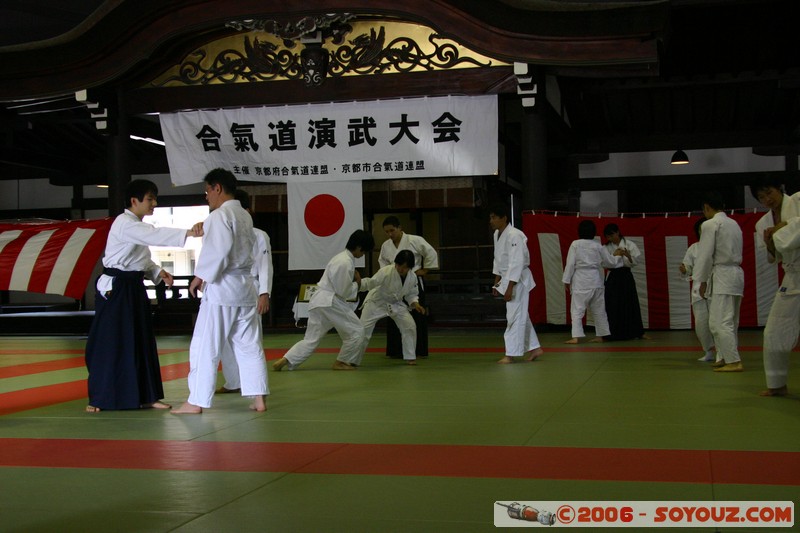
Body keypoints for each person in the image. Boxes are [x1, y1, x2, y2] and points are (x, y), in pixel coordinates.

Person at [85, 179, 201, 412]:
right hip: (116, 290)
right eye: (150, 199)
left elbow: (141, 258)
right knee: (112, 343)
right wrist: (189, 232)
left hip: (134, 288)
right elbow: (154, 235)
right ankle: (100, 398)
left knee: (141, 340)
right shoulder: (124, 223)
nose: (154, 203)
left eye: (154, 198)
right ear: (134, 201)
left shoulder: (135, 226)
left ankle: (147, 395)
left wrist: (159, 271)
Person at [173, 169, 268, 414]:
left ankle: (196, 401)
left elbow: (219, 250)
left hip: (223, 290)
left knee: (205, 345)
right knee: (249, 346)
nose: (207, 197)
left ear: (217, 188)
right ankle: (258, 399)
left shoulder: (220, 215)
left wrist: (200, 275)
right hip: (246, 289)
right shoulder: (244, 216)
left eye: (207, 191)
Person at [272, 229, 375, 371]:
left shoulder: (339, 258)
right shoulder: (345, 262)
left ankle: (286, 359)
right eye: (363, 252)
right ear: (358, 247)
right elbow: (343, 291)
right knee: (356, 330)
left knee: (311, 339)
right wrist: (357, 283)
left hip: (319, 301)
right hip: (330, 301)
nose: (362, 255)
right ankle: (342, 361)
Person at [216, 189, 273, 395]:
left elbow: (265, 264)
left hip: (252, 286)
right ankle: (233, 381)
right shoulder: (224, 230)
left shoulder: (259, 235)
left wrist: (264, 292)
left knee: (250, 339)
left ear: (247, 211)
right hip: (227, 288)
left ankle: (253, 387)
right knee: (225, 338)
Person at [693, 191, 744, 372]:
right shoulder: (734, 224)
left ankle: (733, 361)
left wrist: (701, 280)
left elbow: (705, 255)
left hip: (722, 274)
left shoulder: (710, 224)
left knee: (719, 322)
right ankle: (723, 356)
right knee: (729, 321)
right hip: (736, 274)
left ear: (707, 207)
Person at [489, 203, 544, 364]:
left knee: (514, 316)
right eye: (490, 218)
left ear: (504, 218)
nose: (491, 221)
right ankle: (535, 348)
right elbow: (498, 260)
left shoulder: (515, 235)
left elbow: (517, 261)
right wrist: (497, 282)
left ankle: (511, 354)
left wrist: (510, 286)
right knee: (520, 316)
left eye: (494, 217)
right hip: (507, 278)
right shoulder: (497, 235)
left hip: (518, 279)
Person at [378, 216, 438, 359]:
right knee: (394, 316)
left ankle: (419, 350)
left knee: (417, 315)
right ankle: (395, 351)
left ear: (400, 228)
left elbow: (431, 253)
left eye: (392, 230)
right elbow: (383, 263)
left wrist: (425, 270)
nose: (390, 234)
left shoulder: (414, 240)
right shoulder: (386, 246)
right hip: (393, 283)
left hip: (413, 281)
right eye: (387, 232)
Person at [759, 196, 800, 396]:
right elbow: (775, 255)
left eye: (769, 191)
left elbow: (787, 238)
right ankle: (776, 384)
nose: (766, 198)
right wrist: (772, 239)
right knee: (774, 333)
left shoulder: (797, 201)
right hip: (792, 278)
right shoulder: (764, 222)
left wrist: (784, 227)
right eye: (761, 195)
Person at [358, 250, 425, 366]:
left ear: (410, 267)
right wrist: (358, 283)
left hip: (396, 304)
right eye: (399, 265)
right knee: (362, 331)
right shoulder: (386, 271)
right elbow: (371, 283)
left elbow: (412, 294)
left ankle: (410, 357)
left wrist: (416, 304)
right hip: (376, 303)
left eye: (404, 267)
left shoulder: (412, 277)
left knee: (409, 326)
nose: (400, 269)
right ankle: (351, 359)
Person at [562, 220, 624, 343]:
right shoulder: (598, 245)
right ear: (594, 233)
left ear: (579, 232)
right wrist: (617, 256)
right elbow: (609, 262)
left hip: (581, 281)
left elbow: (570, 264)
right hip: (596, 280)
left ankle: (576, 337)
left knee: (577, 310)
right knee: (599, 310)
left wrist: (566, 280)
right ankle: (601, 335)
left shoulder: (575, 244)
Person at [679, 218, 717, 362]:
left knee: (717, 322)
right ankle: (708, 350)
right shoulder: (694, 248)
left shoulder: (718, 246)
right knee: (701, 323)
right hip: (698, 289)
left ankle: (722, 351)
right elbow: (688, 267)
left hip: (715, 285)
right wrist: (685, 269)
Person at [602, 223, 647, 340]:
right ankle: (612, 333)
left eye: (611, 235)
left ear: (617, 232)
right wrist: (614, 255)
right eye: (608, 237)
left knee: (630, 303)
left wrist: (627, 255)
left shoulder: (629, 244)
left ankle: (637, 332)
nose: (610, 239)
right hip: (613, 276)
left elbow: (635, 262)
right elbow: (604, 263)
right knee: (612, 304)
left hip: (626, 276)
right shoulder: (605, 247)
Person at [749, 176, 800, 265]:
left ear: (779, 188)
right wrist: (770, 246)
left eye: (769, 193)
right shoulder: (762, 223)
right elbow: (772, 260)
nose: (767, 199)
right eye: (762, 197)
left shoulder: (797, 200)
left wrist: (786, 224)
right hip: (791, 271)